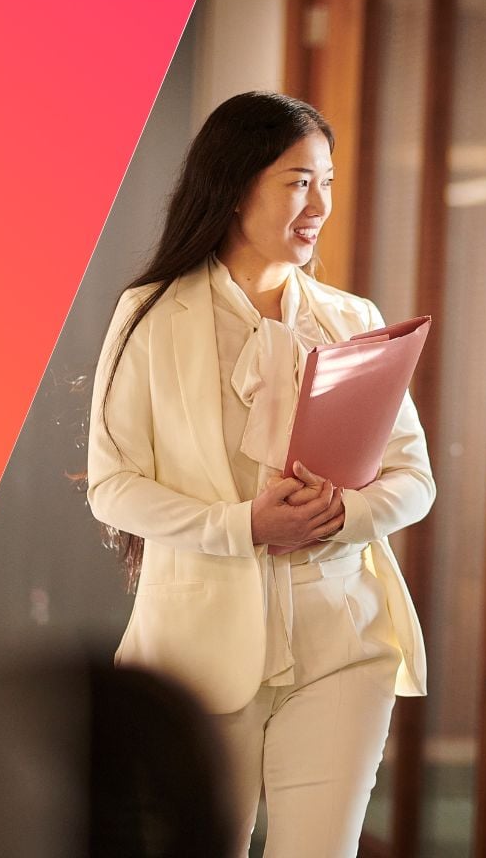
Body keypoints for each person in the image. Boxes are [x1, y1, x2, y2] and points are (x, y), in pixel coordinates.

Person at [87, 91, 434, 858]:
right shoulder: (149, 315)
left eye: (328, 180)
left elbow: (414, 479)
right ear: (237, 182)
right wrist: (244, 523)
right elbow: (113, 486)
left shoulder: (353, 317)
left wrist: (343, 513)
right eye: (298, 180)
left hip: (340, 644)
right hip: (196, 658)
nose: (319, 204)